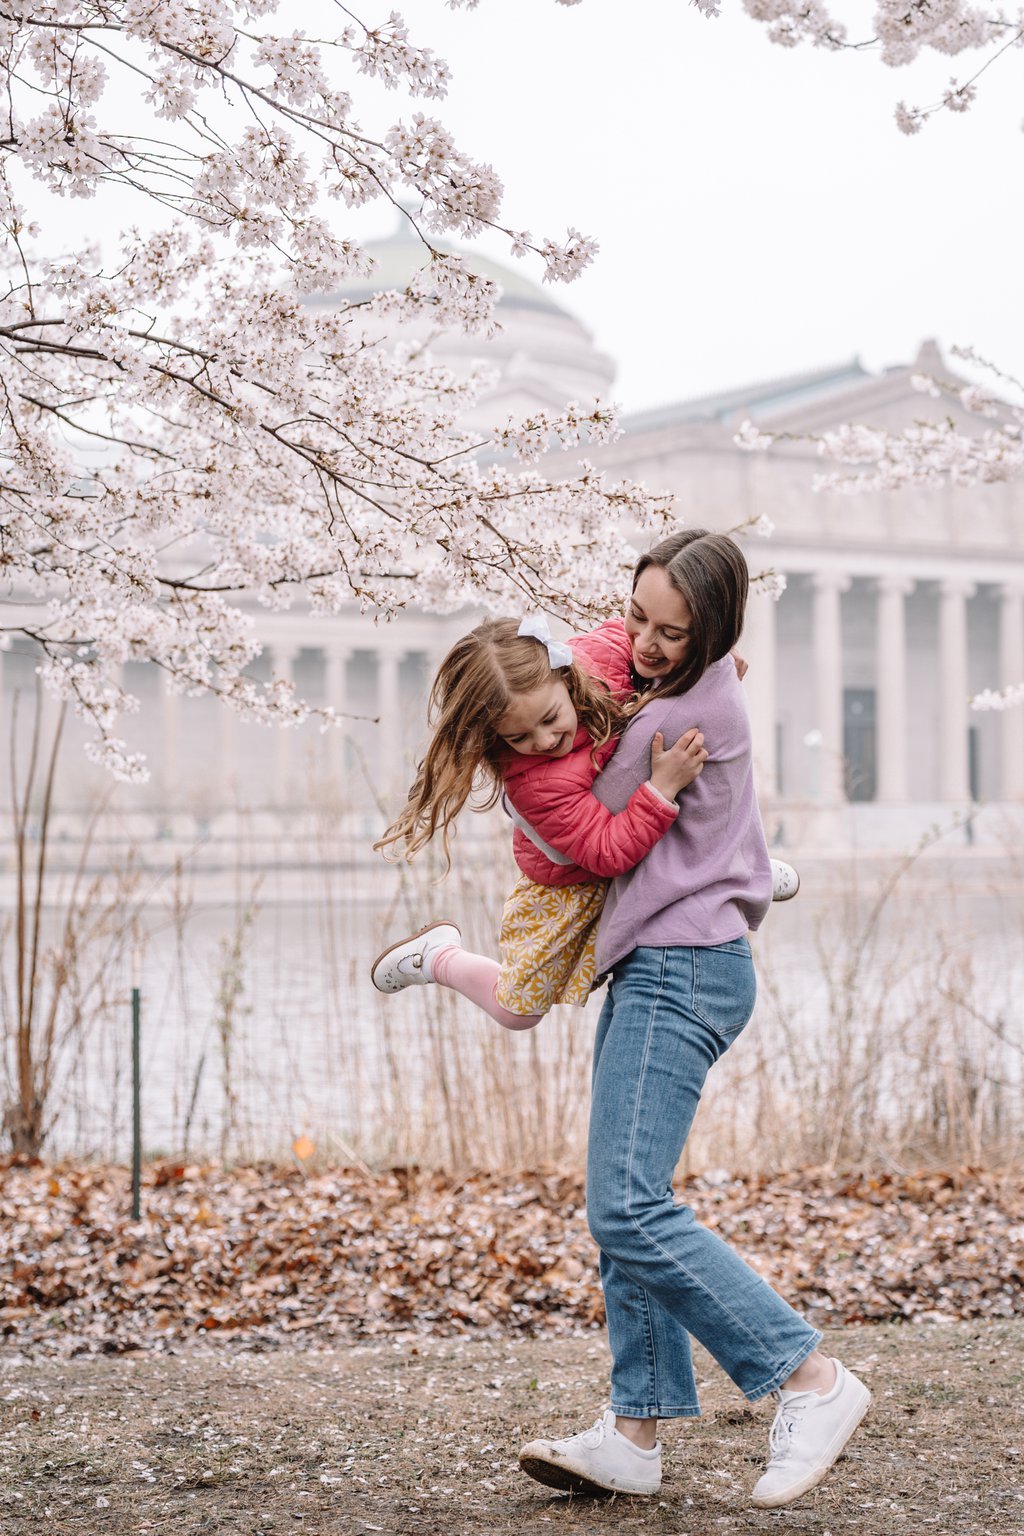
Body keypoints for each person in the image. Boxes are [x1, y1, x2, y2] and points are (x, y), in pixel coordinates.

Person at [517, 530, 869, 1509]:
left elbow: (575, 840)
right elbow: (598, 677)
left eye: (673, 631)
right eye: (636, 617)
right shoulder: (682, 693)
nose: (646, 642)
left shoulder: (680, 719)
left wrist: (522, 763)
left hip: (681, 969)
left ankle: (809, 1380)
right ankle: (633, 1432)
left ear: (711, 633)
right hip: (665, 964)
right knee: (627, 1201)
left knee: (626, 1205)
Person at [370, 612, 711, 1030]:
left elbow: (647, 638)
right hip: (569, 882)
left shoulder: (599, 658)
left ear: (566, 677)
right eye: (519, 737)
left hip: (626, 833)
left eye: (550, 718)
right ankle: (438, 957)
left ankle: (747, 868)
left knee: (697, 759)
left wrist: (716, 658)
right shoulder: (534, 784)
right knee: (517, 1011)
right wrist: (659, 791)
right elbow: (605, 852)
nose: (545, 741)